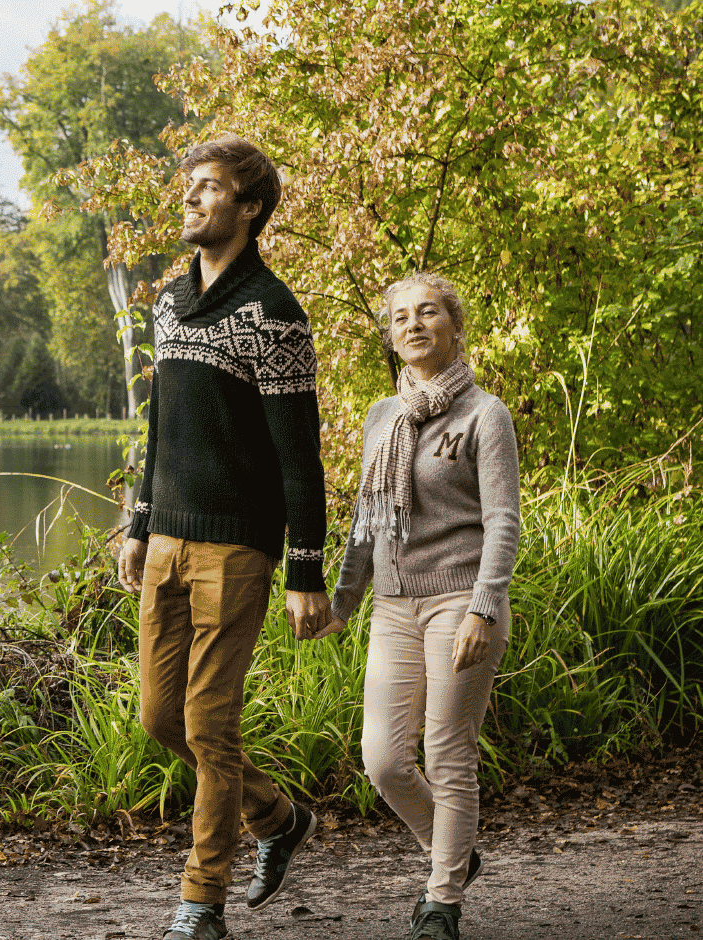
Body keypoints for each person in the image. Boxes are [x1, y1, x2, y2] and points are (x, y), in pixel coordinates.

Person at [118, 135, 331, 940]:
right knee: (159, 718)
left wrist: (304, 571)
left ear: (249, 207)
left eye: (208, 187)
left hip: (237, 548)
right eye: (189, 185)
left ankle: (200, 903)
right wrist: (139, 523)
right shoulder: (170, 302)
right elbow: (160, 426)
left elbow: (299, 457)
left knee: (209, 725)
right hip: (166, 542)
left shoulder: (274, 314)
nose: (190, 197)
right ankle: (277, 817)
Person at [317, 273, 520, 940]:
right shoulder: (383, 416)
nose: (413, 324)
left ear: (454, 327)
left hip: (461, 600)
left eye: (427, 312)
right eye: (401, 316)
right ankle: (453, 853)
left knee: (447, 753)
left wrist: (483, 608)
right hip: (393, 605)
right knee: (381, 760)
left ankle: (441, 903)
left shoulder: (484, 414)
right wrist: (343, 601)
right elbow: (365, 520)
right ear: (391, 334)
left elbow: (502, 521)